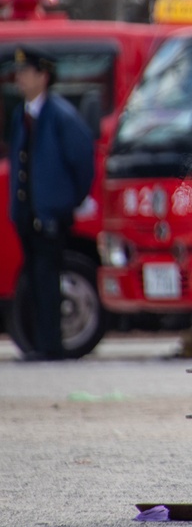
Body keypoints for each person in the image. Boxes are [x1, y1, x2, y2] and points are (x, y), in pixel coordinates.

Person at [8, 46, 95, 361]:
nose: (20, 79)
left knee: (48, 279)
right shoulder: (24, 114)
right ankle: (37, 342)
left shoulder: (60, 115)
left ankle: (51, 345)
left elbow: (83, 161)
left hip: (50, 215)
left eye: (26, 72)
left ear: (43, 76)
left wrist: (69, 201)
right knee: (33, 278)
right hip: (27, 214)